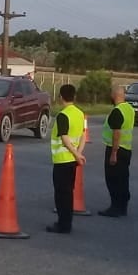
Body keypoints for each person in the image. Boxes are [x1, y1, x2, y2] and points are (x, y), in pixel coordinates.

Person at [47, 83, 86, 234]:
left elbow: (64, 138)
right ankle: (67, 222)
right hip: (72, 160)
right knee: (69, 192)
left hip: (63, 159)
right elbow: (83, 134)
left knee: (61, 194)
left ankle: (62, 224)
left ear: (61, 97)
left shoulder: (63, 115)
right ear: (74, 97)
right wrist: (79, 153)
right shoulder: (80, 113)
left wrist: (76, 154)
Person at [99, 83, 135, 217]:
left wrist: (113, 153)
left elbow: (116, 133)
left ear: (114, 96)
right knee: (123, 178)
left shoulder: (117, 111)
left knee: (112, 179)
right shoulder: (129, 109)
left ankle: (115, 207)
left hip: (116, 149)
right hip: (127, 149)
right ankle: (123, 207)